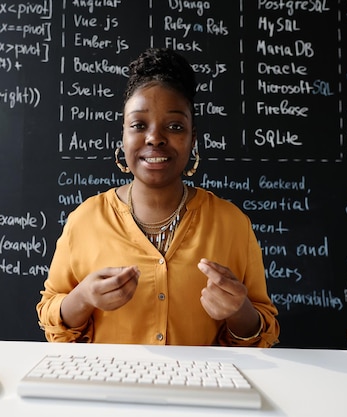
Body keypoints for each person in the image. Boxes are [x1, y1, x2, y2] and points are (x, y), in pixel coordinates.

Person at [37, 48, 279, 347]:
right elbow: (54, 325)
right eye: (139, 125)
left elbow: (262, 329)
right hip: (111, 387)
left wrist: (239, 312)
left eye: (175, 126)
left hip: (198, 390)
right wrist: (83, 297)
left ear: (193, 139)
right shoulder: (85, 220)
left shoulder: (231, 224)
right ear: (123, 136)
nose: (155, 138)